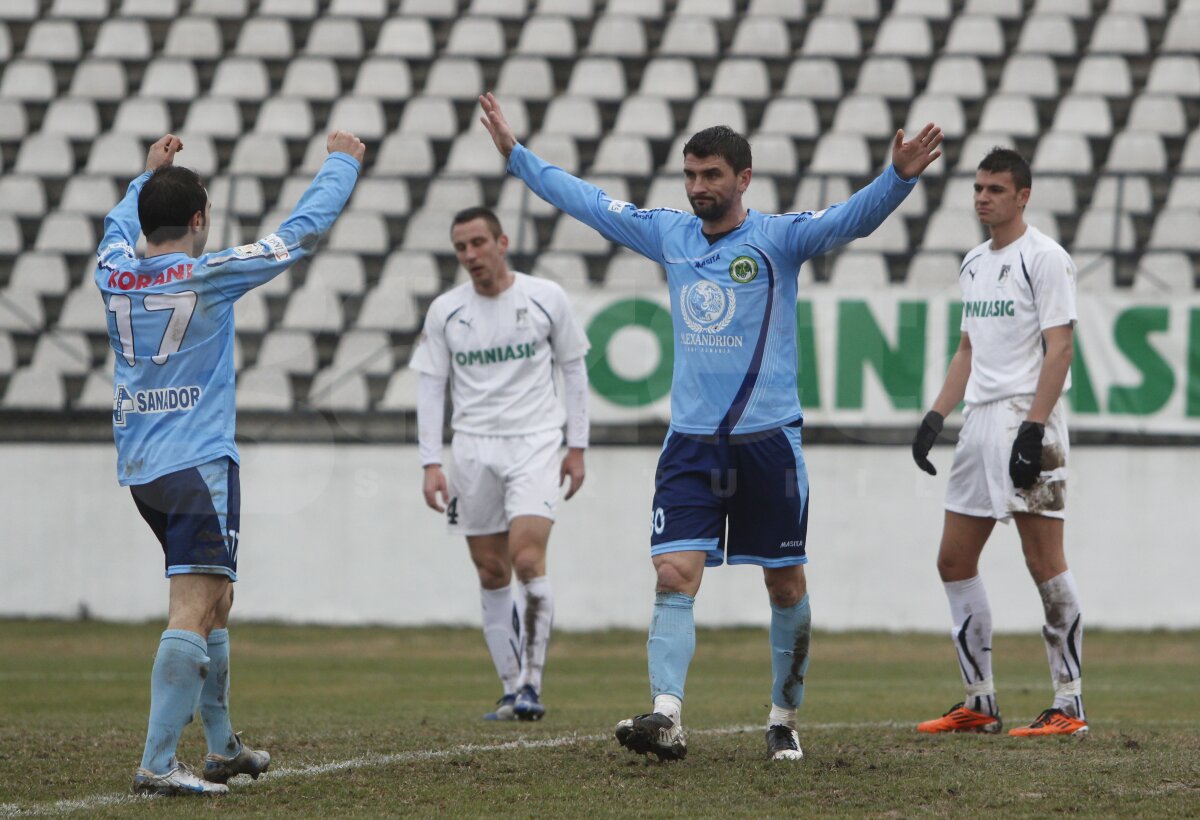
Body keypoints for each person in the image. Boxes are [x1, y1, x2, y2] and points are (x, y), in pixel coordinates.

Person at [478, 92, 943, 761]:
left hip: (768, 442)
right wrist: (518, 158)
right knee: (673, 575)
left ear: (742, 178)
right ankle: (666, 716)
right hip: (691, 442)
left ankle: (783, 716)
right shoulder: (670, 234)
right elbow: (589, 202)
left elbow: (851, 221)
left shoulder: (779, 240)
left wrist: (896, 177)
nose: (698, 187)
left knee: (784, 582)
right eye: (690, 176)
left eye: (711, 176)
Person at [97, 131, 364, 795]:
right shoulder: (209, 273)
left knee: (219, 596)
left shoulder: (111, 271)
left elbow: (112, 224)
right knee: (193, 605)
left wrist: (143, 176)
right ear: (198, 220)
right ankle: (158, 763)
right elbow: (298, 233)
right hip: (196, 462)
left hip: (143, 465)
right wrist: (340, 162)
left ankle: (221, 746)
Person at [910, 147, 1085, 737]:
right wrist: (936, 416)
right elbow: (968, 349)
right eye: (979, 188)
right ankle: (979, 703)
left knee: (1044, 563)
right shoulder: (974, 263)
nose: (983, 197)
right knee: (953, 559)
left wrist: (1034, 427)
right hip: (979, 422)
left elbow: (1059, 348)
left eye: (995, 189)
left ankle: (1069, 704)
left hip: (1024, 417)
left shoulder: (1046, 259)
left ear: (1023, 196)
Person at [411, 206, 590, 722]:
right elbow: (431, 387)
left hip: (534, 442)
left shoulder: (545, 298)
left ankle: (533, 681)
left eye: (477, 244)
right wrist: (430, 461)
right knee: (491, 570)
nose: (470, 255)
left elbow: (573, 371)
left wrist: (576, 447)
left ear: (501, 241)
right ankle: (511, 689)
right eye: (460, 247)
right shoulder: (446, 310)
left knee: (528, 559)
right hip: (470, 448)